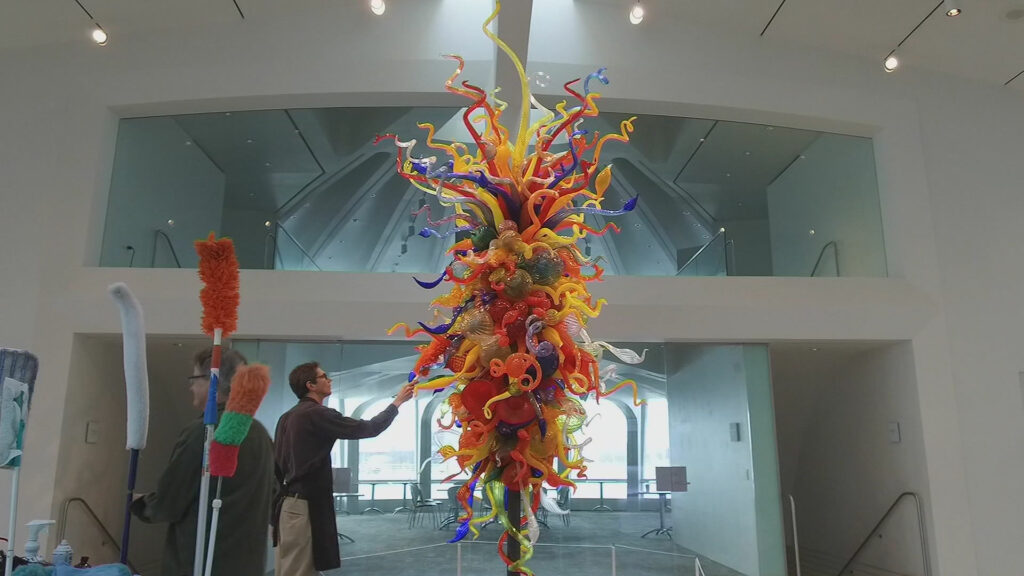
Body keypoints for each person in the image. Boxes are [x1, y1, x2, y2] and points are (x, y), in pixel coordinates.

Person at [131, 348, 274, 576]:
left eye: (194, 378)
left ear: (213, 382)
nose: (190, 386)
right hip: (248, 562)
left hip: (202, 561)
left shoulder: (203, 433)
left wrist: (140, 503)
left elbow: (170, 502)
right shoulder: (259, 433)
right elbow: (271, 493)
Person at [273, 362, 415, 575]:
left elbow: (277, 466)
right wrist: (397, 403)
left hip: (288, 506)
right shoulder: (316, 414)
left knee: (293, 566)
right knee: (299, 570)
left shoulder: (287, 417)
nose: (329, 379)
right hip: (304, 506)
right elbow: (368, 428)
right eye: (324, 376)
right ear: (310, 385)